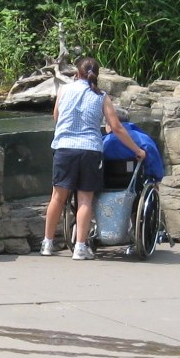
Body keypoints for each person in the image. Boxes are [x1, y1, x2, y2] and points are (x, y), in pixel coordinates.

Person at [41, 57, 146, 260]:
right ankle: (80, 247)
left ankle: (47, 243)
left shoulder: (63, 91)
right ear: (95, 75)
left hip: (64, 149)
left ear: (76, 73)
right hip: (90, 151)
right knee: (85, 199)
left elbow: (56, 117)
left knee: (57, 197)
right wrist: (137, 150)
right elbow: (116, 127)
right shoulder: (102, 96)